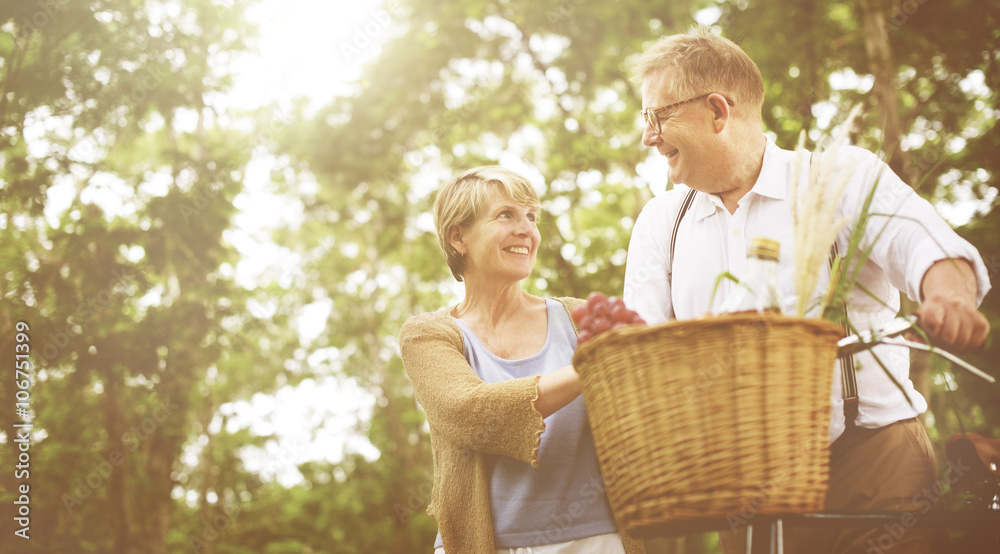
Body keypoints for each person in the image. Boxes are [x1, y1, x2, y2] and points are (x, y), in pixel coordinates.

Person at [623, 28, 991, 554]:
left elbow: (924, 245)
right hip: (744, 489)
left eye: (657, 116)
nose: (648, 136)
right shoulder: (661, 222)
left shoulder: (837, 177)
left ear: (717, 111)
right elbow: (641, 347)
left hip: (874, 465)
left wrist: (948, 293)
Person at [399, 166, 645, 554]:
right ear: (458, 236)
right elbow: (469, 414)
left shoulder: (580, 319)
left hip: (598, 540)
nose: (527, 230)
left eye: (531, 217)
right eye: (505, 215)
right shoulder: (428, 334)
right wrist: (591, 367)